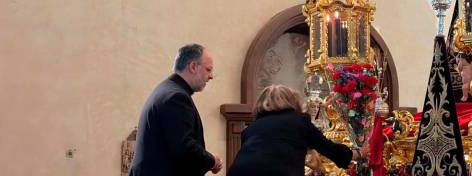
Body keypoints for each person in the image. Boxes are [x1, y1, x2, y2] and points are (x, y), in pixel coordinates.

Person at [227, 84, 362, 176]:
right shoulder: (299, 121)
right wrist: (355, 153)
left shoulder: (251, 128)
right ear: (292, 101)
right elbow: (327, 147)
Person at [130, 44, 222, 176]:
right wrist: (211, 160)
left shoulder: (167, 90)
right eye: (208, 70)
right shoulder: (175, 97)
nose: (211, 76)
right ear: (193, 67)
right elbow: (184, 147)